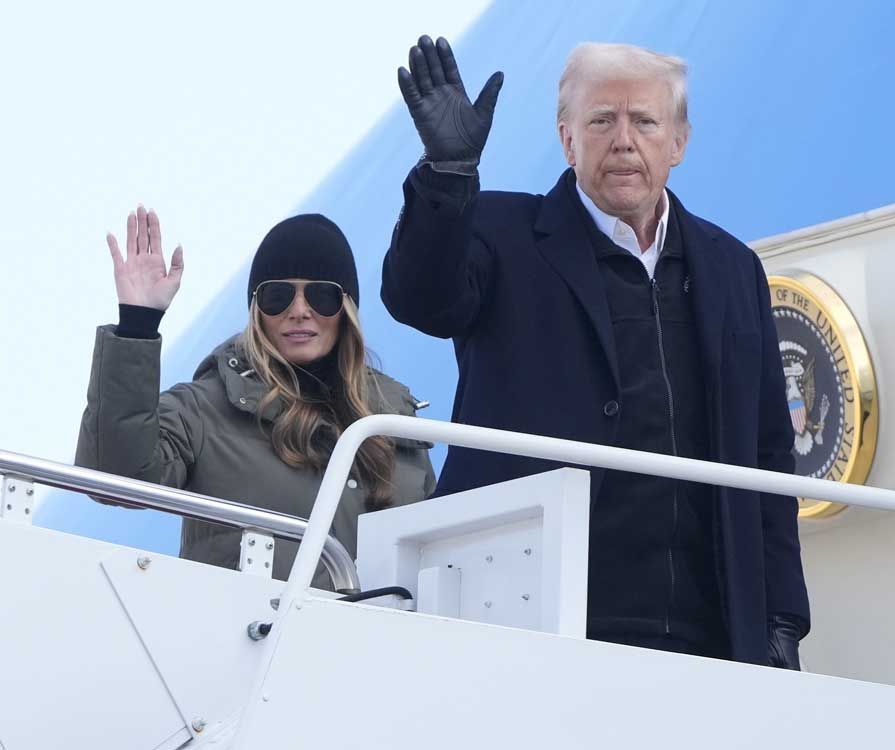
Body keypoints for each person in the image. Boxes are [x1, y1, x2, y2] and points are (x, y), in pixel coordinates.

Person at [382, 37, 808, 667]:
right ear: (567, 139)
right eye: (601, 120)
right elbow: (419, 298)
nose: (624, 140)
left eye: (644, 120)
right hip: (534, 616)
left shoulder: (732, 268)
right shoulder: (499, 233)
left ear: (679, 142)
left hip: (707, 633)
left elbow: (769, 453)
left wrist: (781, 620)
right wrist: (447, 177)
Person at [77, 206, 435, 588]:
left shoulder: (395, 423)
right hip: (250, 640)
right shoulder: (204, 408)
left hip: (385, 643)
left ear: (346, 308)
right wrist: (137, 325)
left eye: (322, 295)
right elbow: (114, 476)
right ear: (255, 309)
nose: (299, 310)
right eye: (278, 295)